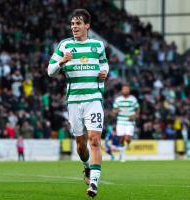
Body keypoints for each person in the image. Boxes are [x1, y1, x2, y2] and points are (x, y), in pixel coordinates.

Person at [47, 9, 109, 197]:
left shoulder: (97, 45)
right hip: (74, 101)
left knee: (95, 140)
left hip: (93, 100)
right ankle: (86, 166)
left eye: (78, 23)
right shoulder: (64, 45)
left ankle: (94, 184)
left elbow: (104, 63)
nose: (74, 27)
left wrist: (105, 72)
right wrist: (62, 61)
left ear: (87, 26)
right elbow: (50, 71)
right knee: (81, 145)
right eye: (72, 24)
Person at [113, 84, 139, 162]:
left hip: (129, 121)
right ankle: (122, 155)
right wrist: (116, 111)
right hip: (120, 121)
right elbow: (114, 110)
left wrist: (135, 116)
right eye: (124, 89)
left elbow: (137, 109)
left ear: (129, 90)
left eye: (127, 89)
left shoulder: (133, 99)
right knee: (121, 138)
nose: (126, 90)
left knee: (127, 138)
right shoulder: (118, 99)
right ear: (122, 90)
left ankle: (126, 146)